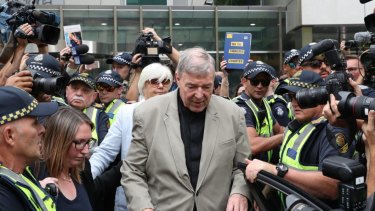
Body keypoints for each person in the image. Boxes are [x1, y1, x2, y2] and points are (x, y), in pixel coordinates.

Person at [121, 47, 251, 211]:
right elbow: (133, 171)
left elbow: (242, 167)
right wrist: (143, 207)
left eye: (206, 87)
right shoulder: (148, 114)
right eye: (192, 86)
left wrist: (240, 193)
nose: (199, 95)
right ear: (177, 78)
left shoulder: (233, 114)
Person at [245, 71, 355, 208]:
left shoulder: (333, 130)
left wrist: (276, 170)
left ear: (319, 97)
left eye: (301, 97)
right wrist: (265, 195)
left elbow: (333, 187)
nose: (294, 103)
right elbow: (285, 166)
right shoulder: (294, 127)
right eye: (291, 97)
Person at [90, 62, 173, 211]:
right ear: (143, 85)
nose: (160, 86)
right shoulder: (127, 112)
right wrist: (87, 179)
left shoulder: (178, 115)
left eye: (165, 82)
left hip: (168, 196)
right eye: (154, 81)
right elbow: (105, 152)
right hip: (129, 196)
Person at [36, 106, 122, 211]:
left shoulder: (83, 168)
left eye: (88, 142)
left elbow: (95, 191)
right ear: (59, 141)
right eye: (79, 142)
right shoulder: (35, 174)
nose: (86, 151)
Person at [0, 86, 58, 210]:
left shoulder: (18, 173)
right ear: (10, 135)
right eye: (35, 123)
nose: (42, 129)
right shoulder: (3, 197)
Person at [232, 61, 284, 163]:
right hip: (243, 173)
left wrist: (297, 130)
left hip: (261, 172)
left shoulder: (264, 103)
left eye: (264, 82)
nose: (260, 86)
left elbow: (279, 129)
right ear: (244, 81)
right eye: (255, 81)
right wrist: (285, 136)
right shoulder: (240, 107)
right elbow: (252, 145)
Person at [65, 73, 109, 146]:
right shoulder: (55, 110)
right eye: (75, 88)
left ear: (94, 96)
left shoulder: (100, 116)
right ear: (67, 91)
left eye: (85, 90)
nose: (79, 94)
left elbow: (104, 148)